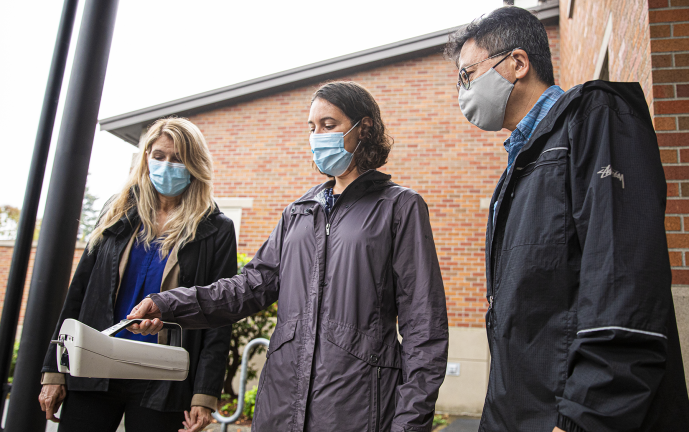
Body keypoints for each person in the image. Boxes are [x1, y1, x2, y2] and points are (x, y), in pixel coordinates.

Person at [128, 81, 449, 432]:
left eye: (329, 125)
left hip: (357, 407)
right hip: (281, 402)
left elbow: (424, 325)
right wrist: (169, 305)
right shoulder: (298, 212)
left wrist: (410, 423)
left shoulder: (399, 207)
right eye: (312, 128)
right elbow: (247, 288)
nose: (317, 136)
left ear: (364, 128)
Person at [444, 6, 689, 432]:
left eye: (468, 75)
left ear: (518, 63)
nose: (462, 90)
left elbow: (623, 288)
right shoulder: (520, 167)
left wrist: (584, 418)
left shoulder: (595, 118)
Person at [39, 118, 236, 432]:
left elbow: (218, 313)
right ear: (146, 157)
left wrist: (205, 393)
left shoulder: (215, 228)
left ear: (194, 164)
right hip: (95, 362)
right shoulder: (116, 211)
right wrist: (54, 370)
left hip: (164, 375)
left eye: (177, 158)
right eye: (159, 156)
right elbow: (78, 293)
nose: (166, 165)